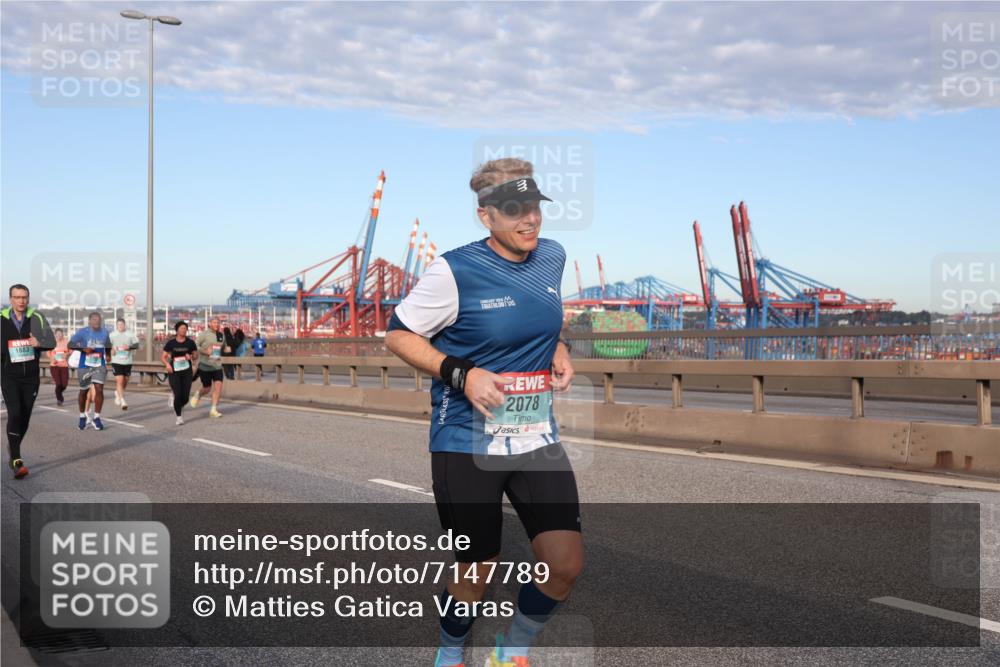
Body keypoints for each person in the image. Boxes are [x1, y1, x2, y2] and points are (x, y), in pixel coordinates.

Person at [385, 159, 582, 667]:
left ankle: (510, 650)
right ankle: (450, 651)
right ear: (486, 215)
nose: (530, 220)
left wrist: (556, 345)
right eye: (515, 210)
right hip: (465, 439)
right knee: (476, 568)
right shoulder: (454, 270)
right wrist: (463, 374)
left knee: (564, 565)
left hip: (535, 433)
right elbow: (399, 334)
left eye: (535, 207)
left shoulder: (552, 257)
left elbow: (540, 314)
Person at [1, 284, 55, 478]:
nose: (21, 301)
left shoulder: (37, 317)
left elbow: (52, 342)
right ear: (11, 299)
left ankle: (13, 445)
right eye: (17, 297)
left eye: (24, 297)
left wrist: (39, 343)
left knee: (24, 417)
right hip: (9, 376)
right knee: (14, 413)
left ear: (28, 298)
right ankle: (16, 459)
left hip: (31, 377)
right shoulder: (2, 319)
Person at [68, 312, 112, 431]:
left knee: (99, 389)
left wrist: (108, 354)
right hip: (84, 365)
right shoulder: (82, 332)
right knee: (84, 391)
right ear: (89, 321)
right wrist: (83, 349)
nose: (96, 321)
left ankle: (97, 417)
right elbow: (70, 344)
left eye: (98, 319)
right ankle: (82, 416)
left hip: (99, 364)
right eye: (94, 319)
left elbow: (108, 344)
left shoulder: (104, 332)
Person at [161, 321, 198, 426]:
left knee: (185, 397)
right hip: (174, 371)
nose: (184, 330)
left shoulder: (190, 343)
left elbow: (196, 356)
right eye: (181, 328)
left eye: (185, 329)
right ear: (177, 330)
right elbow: (163, 357)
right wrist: (167, 365)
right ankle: (179, 417)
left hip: (187, 371)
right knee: (178, 394)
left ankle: (176, 405)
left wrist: (190, 357)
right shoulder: (171, 343)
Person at [191, 317, 225, 418]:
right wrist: (205, 351)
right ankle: (198, 394)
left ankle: (213, 410)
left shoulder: (221, 335)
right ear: (210, 324)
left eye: (218, 323)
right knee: (207, 388)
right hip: (205, 365)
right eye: (214, 322)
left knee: (218, 387)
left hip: (217, 365)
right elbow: (194, 345)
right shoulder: (204, 334)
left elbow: (223, 347)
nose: (216, 324)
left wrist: (227, 349)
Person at [109, 318, 140, 411]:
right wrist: (112, 349)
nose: (120, 326)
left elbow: (137, 345)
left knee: (125, 380)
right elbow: (107, 344)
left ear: (124, 325)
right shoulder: (112, 335)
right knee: (120, 380)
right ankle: (122, 401)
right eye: (119, 325)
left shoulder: (130, 334)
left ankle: (118, 393)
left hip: (127, 361)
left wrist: (129, 347)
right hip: (116, 361)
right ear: (116, 325)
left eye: (122, 325)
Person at [47, 328, 70, 406]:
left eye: (61, 334)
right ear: (55, 335)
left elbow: (71, 350)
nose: (59, 336)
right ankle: (59, 399)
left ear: (62, 334)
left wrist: (66, 354)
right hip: (54, 365)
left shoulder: (66, 342)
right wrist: (51, 358)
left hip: (64, 365)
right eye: (58, 334)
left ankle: (58, 393)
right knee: (58, 384)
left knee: (64, 384)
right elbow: (48, 353)